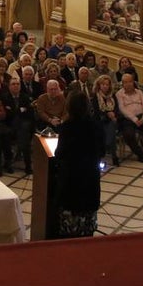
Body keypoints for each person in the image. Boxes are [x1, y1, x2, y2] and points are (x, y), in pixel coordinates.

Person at [53, 90, 102, 237]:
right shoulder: (96, 126)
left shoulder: (67, 127)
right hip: (90, 177)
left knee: (70, 227)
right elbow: (101, 151)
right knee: (87, 221)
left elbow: (59, 153)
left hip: (71, 179)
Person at [93, 73, 121, 165]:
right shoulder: (95, 97)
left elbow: (116, 109)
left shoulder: (112, 96)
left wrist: (113, 114)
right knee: (109, 130)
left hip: (112, 120)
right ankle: (114, 156)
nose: (105, 86)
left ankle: (106, 147)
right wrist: (107, 114)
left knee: (112, 126)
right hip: (100, 120)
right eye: (103, 84)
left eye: (107, 84)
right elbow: (96, 112)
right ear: (99, 85)